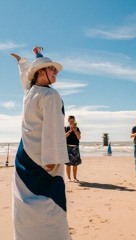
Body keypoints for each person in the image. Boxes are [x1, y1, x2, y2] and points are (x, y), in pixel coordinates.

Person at [11, 48, 71, 240]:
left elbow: (25, 78)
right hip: (44, 159)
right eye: (51, 69)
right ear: (40, 73)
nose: (56, 72)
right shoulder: (50, 96)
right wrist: (52, 160)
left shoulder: (30, 92)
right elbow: (53, 130)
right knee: (50, 205)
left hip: (24, 156)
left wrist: (22, 62)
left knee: (24, 205)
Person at [65, 115, 81, 182]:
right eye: (71, 121)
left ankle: (75, 178)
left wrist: (75, 131)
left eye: (73, 121)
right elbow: (64, 136)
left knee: (75, 164)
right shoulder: (66, 128)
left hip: (75, 147)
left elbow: (79, 138)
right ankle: (69, 178)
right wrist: (70, 131)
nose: (72, 122)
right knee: (68, 164)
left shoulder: (77, 129)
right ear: (68, 121)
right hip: (68, 147)